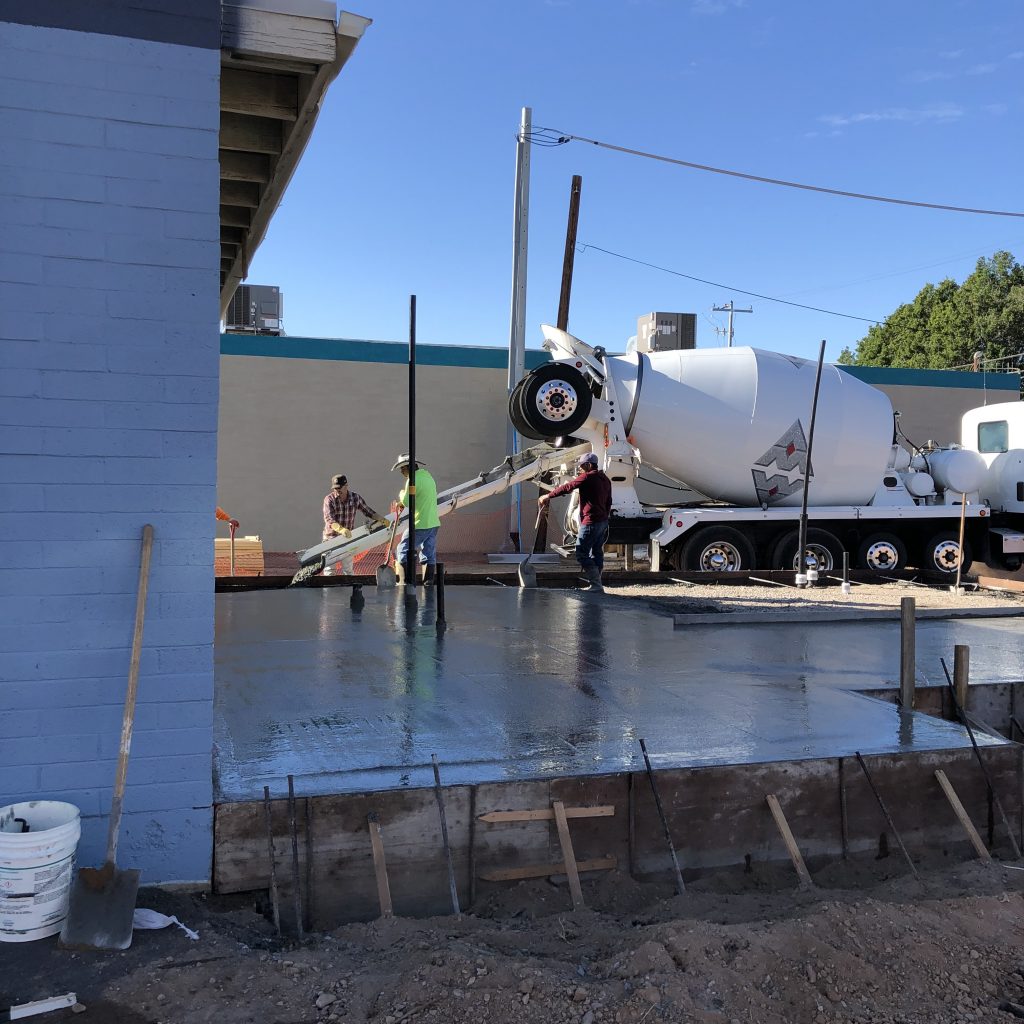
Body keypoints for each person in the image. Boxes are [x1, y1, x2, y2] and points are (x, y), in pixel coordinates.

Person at [538, 451, 612, 592]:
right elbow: (609, 501)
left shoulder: (587, 478)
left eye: (582, 466)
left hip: (590, 523)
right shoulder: (605, 479)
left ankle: (596, 585)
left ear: (589, 465)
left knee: (581, 554)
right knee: (597, 552)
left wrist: (547, 496)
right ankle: (597, 584)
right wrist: (604, 517)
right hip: (602, 522)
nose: (579, 468)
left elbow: (567, 487)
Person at [322, 474, 386, 576]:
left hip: (348, 538)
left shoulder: (355, 498)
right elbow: (329, 520)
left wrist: (381, 519)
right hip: (331, 539)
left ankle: (349, 589)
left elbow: (368, 511)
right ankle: (328, 591)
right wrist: (341, 529)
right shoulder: (329, 499)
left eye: (339, 488)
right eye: (335, 488)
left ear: (346, 486)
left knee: (348, 569)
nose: (337, 490)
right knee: (330, 570)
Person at [391, 454, 441, 586]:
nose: (401, 472)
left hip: (420, 524)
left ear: (408, 467)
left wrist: (401, 494)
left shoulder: (412, 480)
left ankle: (405, 581)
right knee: (428, 552)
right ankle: (428, 581)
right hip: (433, 522)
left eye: (402, 469)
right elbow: (418, 497)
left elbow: (407, 501)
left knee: (402, 549)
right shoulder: (427, 476)